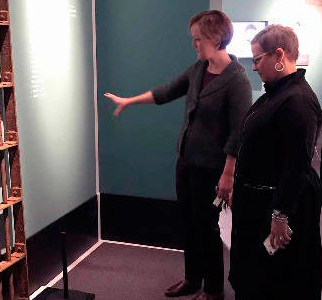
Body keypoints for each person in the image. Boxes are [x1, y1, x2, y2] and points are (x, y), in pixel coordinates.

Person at [105, 10, 252, 300]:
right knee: (188, 222)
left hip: (212, 169)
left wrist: (228, 175)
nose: (194, 44)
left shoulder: (237, 80)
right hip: (186, 162)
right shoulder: (199, 70)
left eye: (198, 39)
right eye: (194, 39)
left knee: (207, 227)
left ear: (216, 37)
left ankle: (213, 290)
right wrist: (129, 101)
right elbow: (167, 91)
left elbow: (239, 133)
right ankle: (192, 279)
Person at [227, 24, 322, 300]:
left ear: (279, 55)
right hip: (257, 203)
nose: (254, 67)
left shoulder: (298, 100)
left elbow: (297, 164)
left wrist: (280, 215)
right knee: (254, 275)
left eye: (257, 59)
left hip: (275, 206)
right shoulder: (277, 93)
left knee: (275, 280)